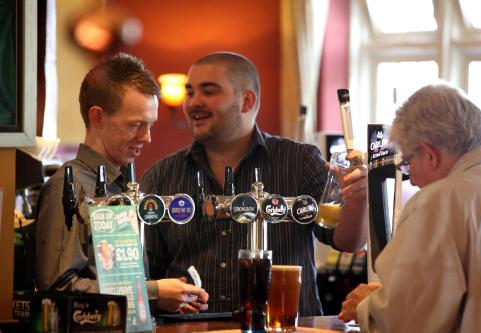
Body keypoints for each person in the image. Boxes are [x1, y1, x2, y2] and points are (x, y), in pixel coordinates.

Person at [141, 51, 367, 315]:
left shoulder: (299, 160)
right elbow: (147, 274)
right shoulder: (161, 174)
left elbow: (348, 241)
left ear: (247, 101)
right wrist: (159, 297)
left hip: (285, 326)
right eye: (190, 93)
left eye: (209, 92)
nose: (193, 103)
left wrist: (359, 197)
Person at [35, 53, 208, 313]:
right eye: (136, 125)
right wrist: (152, 294)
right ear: (98, 118)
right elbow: (56, 291)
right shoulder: (68, 186)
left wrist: (163, 301)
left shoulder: (125, 186)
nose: (147, 137)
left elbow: (119, 283)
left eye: (149, 125)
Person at [338, 83, 481, 332]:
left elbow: (406, 321)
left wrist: (369, 306)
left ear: (430, 155)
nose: (410, 178)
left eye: (407, 162)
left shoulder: (438, 202)